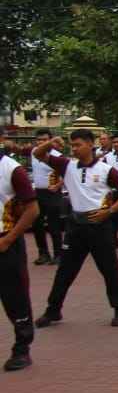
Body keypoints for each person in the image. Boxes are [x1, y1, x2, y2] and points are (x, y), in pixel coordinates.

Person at [31, 129, 118, 329]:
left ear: (90, 144)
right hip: (75, 226)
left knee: (110, 269)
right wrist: (51, 143)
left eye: (78, 145)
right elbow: (37, 154)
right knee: (65, 271)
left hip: (99, 225)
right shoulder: (66, 165)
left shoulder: (106, 170)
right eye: (72, 145)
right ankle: (53, 310)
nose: (74, 149)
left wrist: (110, 211)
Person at [0, 146, 39, 371]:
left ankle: (22, 348)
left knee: (15, 296)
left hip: (6, 241)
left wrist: (9, 239)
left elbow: (32, 210)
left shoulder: (12, 169)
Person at [29, 128, 65, 266]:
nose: (41, 142)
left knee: (53, 225)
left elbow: (67, 174)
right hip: (37, 193)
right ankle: (43, 253)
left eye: (44, 140)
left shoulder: (57, 156)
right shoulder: (34, 153)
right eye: (38, 140)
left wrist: (57, 186)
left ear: (51, 140)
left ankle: (58, 254)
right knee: (37, 224)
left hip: (52, 193)